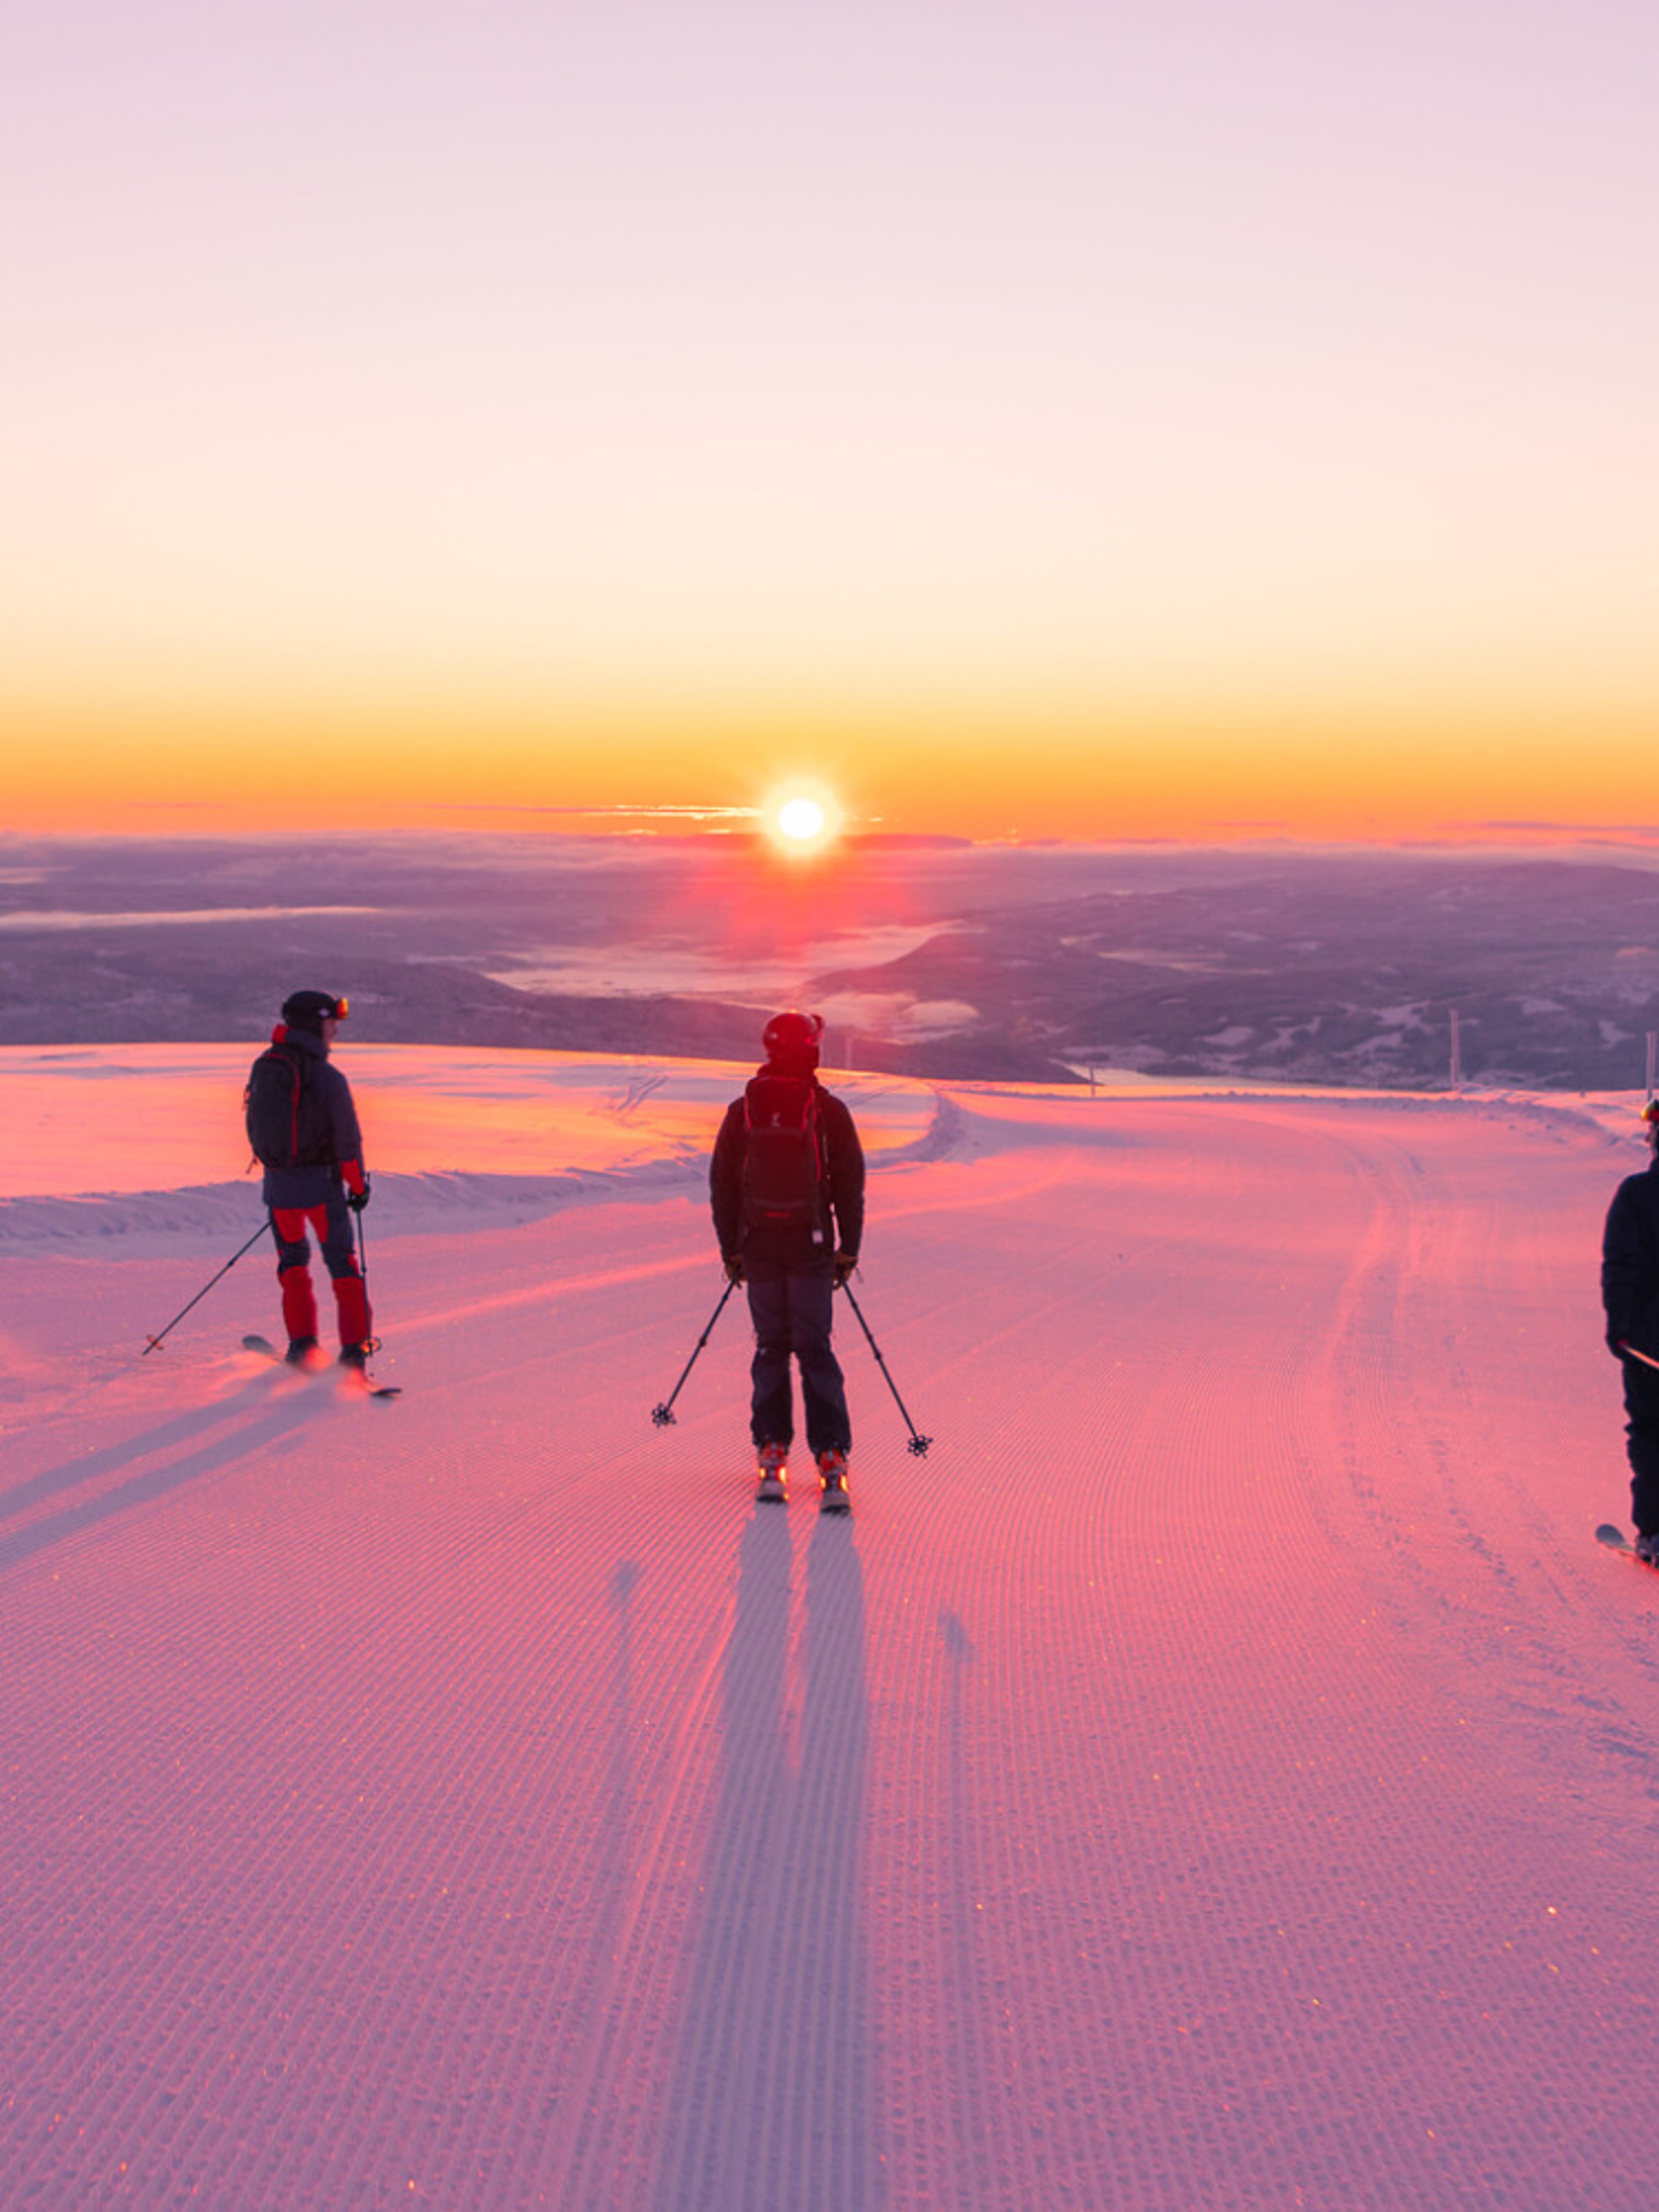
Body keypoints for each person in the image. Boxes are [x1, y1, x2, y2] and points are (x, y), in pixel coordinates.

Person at [710, 1011, 865, 1509]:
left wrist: (731, 1248)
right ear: (813, 1048)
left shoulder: (745, 1109)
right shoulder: (828, 1110)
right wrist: (849, 1249)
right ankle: (832, 1460)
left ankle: (772, 1453)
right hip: (812, 1246)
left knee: (771, 1346)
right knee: (815, 1347)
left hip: (758, 1245)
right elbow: (850, 1185)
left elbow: (723, 1185)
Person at [246, 990, 374, 1368]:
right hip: (322, 1191)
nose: (336, 1030)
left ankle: (302, 1348)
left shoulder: (266, 1065)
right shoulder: (328, 1077)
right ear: (317, 1024)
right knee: (344, 1268)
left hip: (279, 1192)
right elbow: (348, 1144)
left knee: (292, 1266)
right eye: (332, 1023)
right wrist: (359, 1187)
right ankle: (354, 1355)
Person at [1602, 1100, 1659, 1560]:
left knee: (1652, 1431)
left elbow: (1620, 1266)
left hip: (1648, 1344)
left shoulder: (1637, 1195)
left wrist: (1620, 1329)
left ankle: (1657, 1530)